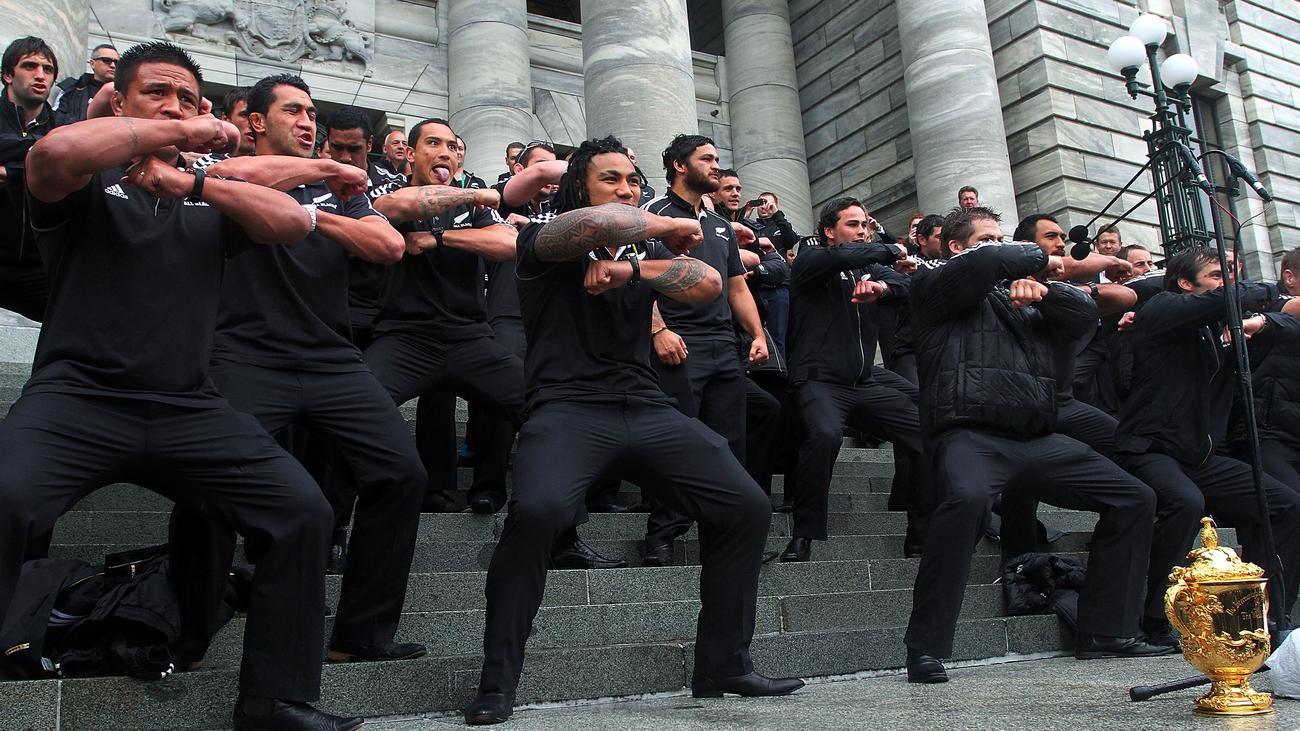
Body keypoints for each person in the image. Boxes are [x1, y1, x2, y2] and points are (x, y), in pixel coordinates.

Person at [2, 42, 360, 729]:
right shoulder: (87, 171)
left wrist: (193, 182)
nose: (175, 108)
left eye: (188, 98)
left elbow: (292, 222)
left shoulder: (206, 188)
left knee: (303, 513)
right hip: (77, 399)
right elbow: (51, 156)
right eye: (156, 94)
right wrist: (181, 132)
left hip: (188, 405)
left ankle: (274, 700)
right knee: (5, 494)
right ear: (119, 101)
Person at [463, 135, 803, 725]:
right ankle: (497, 684)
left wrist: (633, 268)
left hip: (646, 406)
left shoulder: (638, 254)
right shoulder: (544, 238)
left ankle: (723, 663)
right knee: (538, 512)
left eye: (632, 180)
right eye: (611, 178)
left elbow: (705, 281)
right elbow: (602, 223)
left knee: (746, 506)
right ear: (578, 187)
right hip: (567, 407)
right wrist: (658, 227)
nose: (627, 189)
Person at [164, 73, 428, 671]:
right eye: (294, 111)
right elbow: (220, 183)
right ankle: (186, 632)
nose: (309, 122)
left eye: (312, 114)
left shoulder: (337, 188)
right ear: (256, 121)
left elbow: (387, 247)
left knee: (402, 473)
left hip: (332, 360)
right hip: (244, 353)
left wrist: (314, 216)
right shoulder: (222, 169)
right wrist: (313, 191)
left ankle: (362, 633)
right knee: (208, 483)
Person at [904, 207, 1168, 684]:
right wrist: (1036, 261)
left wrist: (1045, 292)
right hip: (971, 435)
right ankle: (925, 648)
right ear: (957, 247)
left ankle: (1106, 632)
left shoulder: (1026, 292)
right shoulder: (933, 285)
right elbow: (988, 263)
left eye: (1001, 237)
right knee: (967, 500)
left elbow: (1082, 315)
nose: (1000, 246)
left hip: (1038, 439)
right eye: (988, 238)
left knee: (1135, 497)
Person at [1116, 246, 1300, 644]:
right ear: (1186, 283)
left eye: (1230, 273)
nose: (1228, 281)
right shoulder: (1162, 307)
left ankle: (1266, 616)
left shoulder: (1218, 327)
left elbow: (1290, 329)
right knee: (1185, 502)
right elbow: (1230, 298)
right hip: (1151, 447)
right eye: (1218, 275)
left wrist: (1261, 325)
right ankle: (1157, 616)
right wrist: (1267, 291)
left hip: (1201, 454)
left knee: (1285, 503)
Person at [640, 134, 769, 567]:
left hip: (724, 347)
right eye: (707, 159)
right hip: (677, 343)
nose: (716, 165)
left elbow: (736, 286)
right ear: (680, 165)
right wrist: (658, 329)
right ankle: (662, 533)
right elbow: (637, 274)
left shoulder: (719, 224)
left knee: (731, 445)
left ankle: (730, 536)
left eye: (717, 158)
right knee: (679, 442)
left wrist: (757, 334)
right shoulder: (653, 214)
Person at [781, 197, 925, 562]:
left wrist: (882, 289)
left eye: (865, 225)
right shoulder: (812, 259)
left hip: (864, 382)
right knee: (825, 435)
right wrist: (893, 248)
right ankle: (804, 534)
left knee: (928, 435)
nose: (862, 231)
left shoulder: (870, 269)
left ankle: (921, 536)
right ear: (829, 231)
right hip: (819, 381)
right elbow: (842, 257)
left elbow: (908, 288)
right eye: (853, 224)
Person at [0, 36, 59, 321]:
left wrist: (10, 172)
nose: (40, 75)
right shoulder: (61, 137)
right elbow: (56, 156)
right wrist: (43, 154)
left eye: (48, 69)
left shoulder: (63, 128)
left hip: (39, 266)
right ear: (8, 75)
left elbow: (66, 165)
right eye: (30, 66)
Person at [54, 43, 115, 123]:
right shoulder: (71, 89)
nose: (113, 65)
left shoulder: (123, 94)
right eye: (107, 60)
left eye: (116, 62)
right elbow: (56, 120)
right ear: (92, 64)